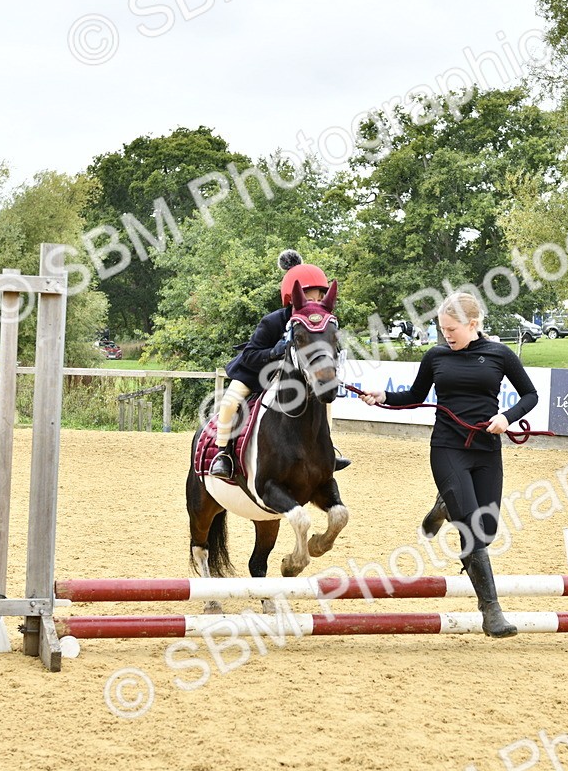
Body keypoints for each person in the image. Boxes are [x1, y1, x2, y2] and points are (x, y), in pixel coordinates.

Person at [359, 292, 538, 638]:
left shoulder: (499, 354)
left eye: (452, 329)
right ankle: (491, 611)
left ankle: (445, 505)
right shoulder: (436, 356)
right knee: (472, 531)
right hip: (447, 448)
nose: (446, 335)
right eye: (442, 329)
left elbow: (530, 394)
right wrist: (383, 397)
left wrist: (507, 417)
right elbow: (413, 396)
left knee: (485, 530)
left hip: (486, 450)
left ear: (473, 325)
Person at [209, 250, 351, 479]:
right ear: (294, 297)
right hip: (255, 372)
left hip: (292, 376)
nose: (315, 304)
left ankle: (326, 450)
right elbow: (250, 355)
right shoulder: (274, 320)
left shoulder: (322, 323)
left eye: (319, 298)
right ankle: (223, 453)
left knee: (324, 400)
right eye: (309, 298)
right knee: (228, 402)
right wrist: (276, 351)